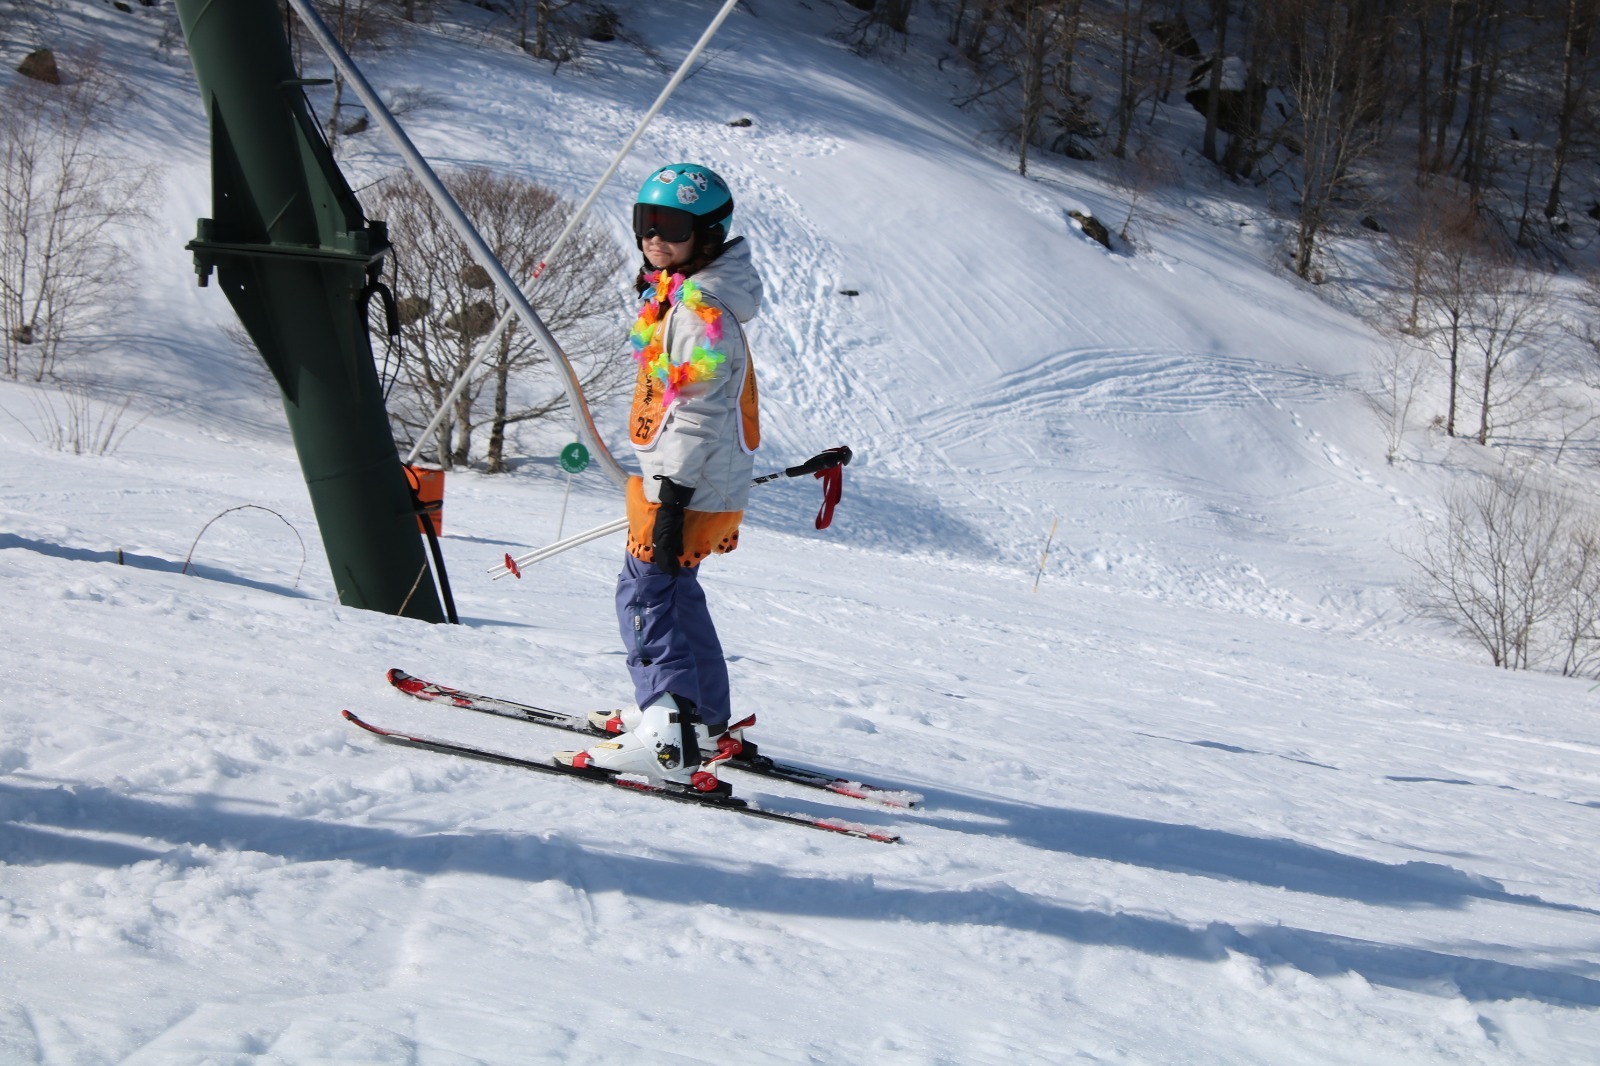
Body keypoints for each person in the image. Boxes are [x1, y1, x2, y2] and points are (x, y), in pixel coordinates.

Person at [556, 163, 763, 794]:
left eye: (671, 226)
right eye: (646, 222)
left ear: (707, 234)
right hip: (694, 481)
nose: (653, 237)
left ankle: (667, 731)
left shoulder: (698, 310)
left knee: (645, 597)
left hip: (683, 486)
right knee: (676, 595)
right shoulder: (688, 297)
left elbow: (696, 411)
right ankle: (699, 718)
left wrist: (670, 497)